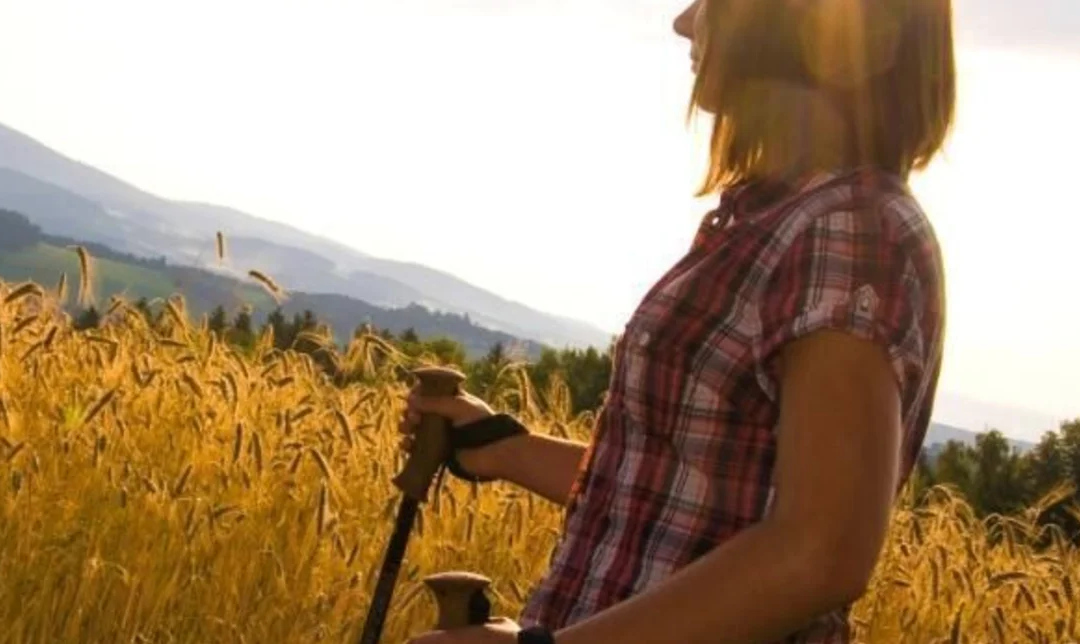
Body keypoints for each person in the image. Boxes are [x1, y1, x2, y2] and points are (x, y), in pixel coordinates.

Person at [399, 0, 956, 642]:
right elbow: (687, 491)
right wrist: (508, 447)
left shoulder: (847, 230)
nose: (685, 22)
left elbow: (821, 553)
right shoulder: (782, 220)